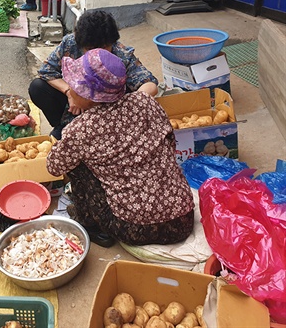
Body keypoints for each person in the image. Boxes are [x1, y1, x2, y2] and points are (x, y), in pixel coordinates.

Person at [46, 48, 195, 248]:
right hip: (183, 219)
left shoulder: (80, 130)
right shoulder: (145, 102)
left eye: (74, 85)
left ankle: (92, 226)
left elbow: (54, 167)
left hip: (133, 228)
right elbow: (168, 141)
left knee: (74, 163)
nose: (70, 90)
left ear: (89, 95)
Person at [29, 10, 158, 140]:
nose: (96, 54)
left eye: (103, 48)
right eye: (90, 49)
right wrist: (69, 93)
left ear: (111, 42)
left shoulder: (122, 54)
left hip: (108, 114)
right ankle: (62, 126)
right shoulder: (70, 43)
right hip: (74, 109)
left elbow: (149, 84)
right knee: (38, 87)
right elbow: (46, 71)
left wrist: (122, 108)